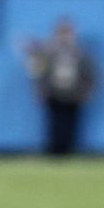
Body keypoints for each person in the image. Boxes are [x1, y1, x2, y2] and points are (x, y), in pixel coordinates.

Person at [26, 18, 98, 156]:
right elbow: (40, 72)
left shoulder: (80, 53)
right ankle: (54, 151)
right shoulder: (49, 52)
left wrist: (87, 92)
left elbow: (90, 74)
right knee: (55, 124)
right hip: (54, 95)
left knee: (71, 125)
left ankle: (70, 151)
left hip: (74, 95)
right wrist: (41, 90)